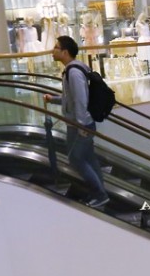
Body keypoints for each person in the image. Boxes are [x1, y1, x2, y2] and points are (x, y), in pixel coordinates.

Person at [44, 35, 110, 209]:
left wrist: (81, 124)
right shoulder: (70, 70)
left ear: (65, 52)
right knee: (88, 157)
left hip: (81, 124)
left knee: (76, 159)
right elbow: (70, 98)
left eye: (56, 47)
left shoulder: (73, 72)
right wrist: (54, 99)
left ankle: (100, 194)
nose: (53, 50)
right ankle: (99, 191)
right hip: (75, 123)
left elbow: (80, 100)